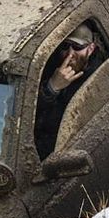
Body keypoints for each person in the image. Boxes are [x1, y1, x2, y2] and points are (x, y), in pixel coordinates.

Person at [34, 23, 103, 158]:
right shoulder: (50, 66)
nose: (70, 55)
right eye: (65, 47)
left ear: (91, 48)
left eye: (77, 47)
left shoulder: (97, 77)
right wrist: (51, 88)